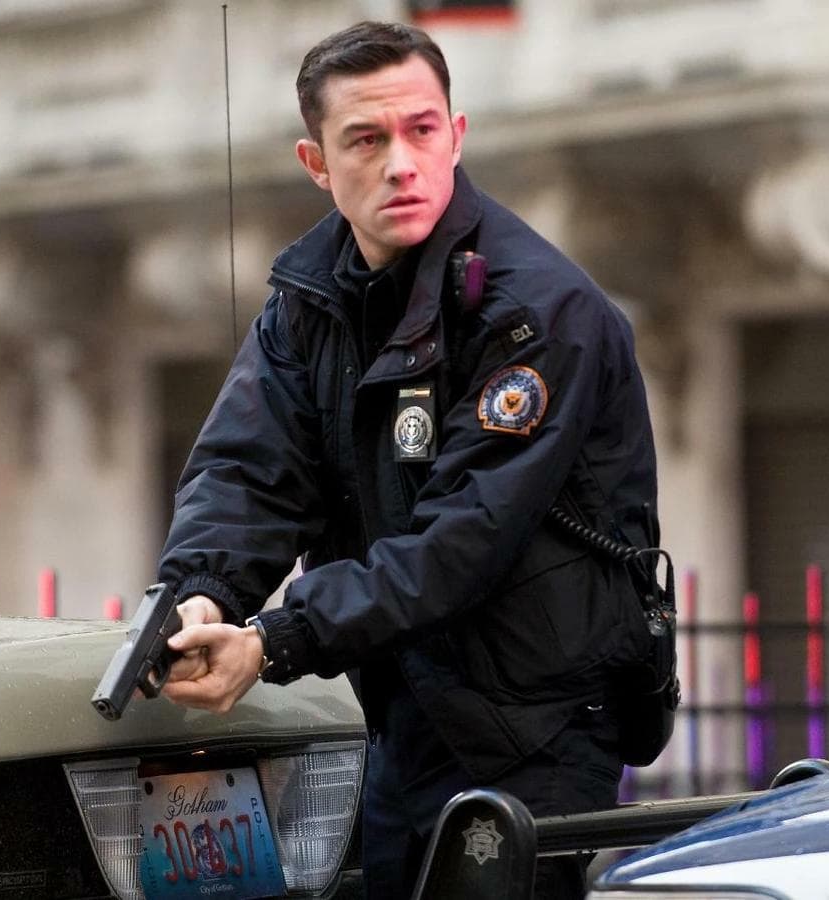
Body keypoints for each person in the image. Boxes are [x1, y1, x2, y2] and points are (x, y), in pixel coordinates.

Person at [156, 20, 661, 899]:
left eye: (422, 130)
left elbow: (462, 540)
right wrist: (203, 591)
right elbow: (246, 471)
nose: (401, 163)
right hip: (397, 710)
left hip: (533, 731)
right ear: (317, 163)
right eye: (366, 139)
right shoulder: (308, 300)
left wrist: (273, 640)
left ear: (456, 135)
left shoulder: (538, 313)